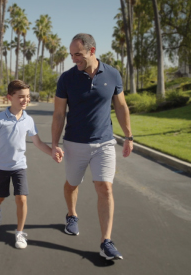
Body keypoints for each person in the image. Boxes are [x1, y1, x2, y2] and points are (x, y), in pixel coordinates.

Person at [51, 33, 133, 260]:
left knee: (105, 188)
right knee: (72, 184)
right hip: (75, 143)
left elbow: (121, 106)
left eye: (78, 54)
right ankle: (72, 214)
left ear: (92, 51)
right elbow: (59, 114)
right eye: (71, 55)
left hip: (104, 142)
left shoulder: (113, 74)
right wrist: (54, 144)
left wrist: (129, 136)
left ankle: (106, 241)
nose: (74, 59)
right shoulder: (67, 79)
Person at [0, 80, 64, 249]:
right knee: (0, 197)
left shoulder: (28, 119)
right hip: (1, 167)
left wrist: (52, 153)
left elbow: (38, 142)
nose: (25, 100)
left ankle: (19, 233)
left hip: (20, 166)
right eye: (21, 97)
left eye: (27, 97)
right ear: (9, 97)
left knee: (21, 198)